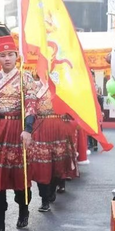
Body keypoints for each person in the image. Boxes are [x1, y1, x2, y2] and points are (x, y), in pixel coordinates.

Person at [0, 36, 38, 231]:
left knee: (20, 177)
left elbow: (32, 103)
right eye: (3, 55)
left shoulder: (26, 78)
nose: (7, 59)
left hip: (17, 129)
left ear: (17, 56)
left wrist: (28, 129)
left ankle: (23, 210)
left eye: (10, 54)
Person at [28, 82, 77, 212]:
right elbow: (29, 107)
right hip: (40, 128)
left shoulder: (62, 87)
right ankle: (44, 198)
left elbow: (71, 109)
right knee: (41, 164)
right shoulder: (34, 86)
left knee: (57, 163)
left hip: (58, 128)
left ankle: (52, 189)